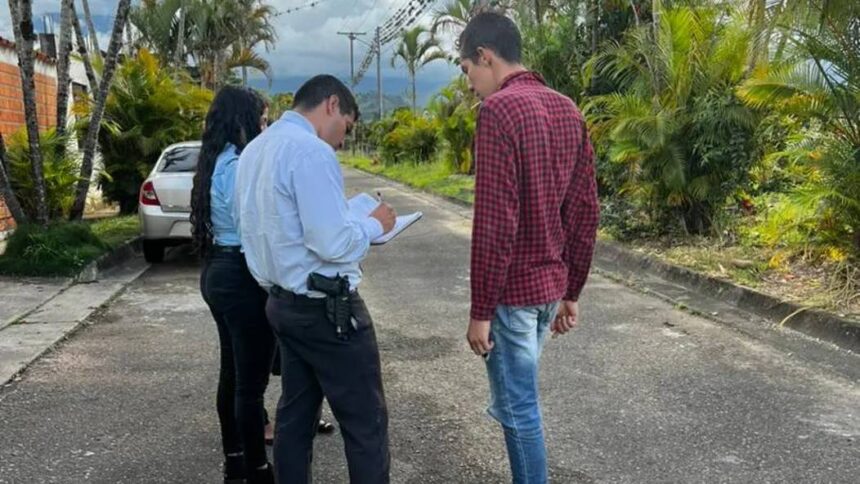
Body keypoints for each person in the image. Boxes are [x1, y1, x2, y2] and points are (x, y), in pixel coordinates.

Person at [234, 74, 396, 484]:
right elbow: (332, 241)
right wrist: (374, 225)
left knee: (295, 415)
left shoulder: (254, 150)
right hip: (329, 309)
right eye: (347, 125)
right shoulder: (310, 152)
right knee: (365, 422)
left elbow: (257, 227)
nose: (342, 139)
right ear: (332, 105)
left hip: (283, 303)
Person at [460, 12, 600, 484]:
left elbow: (496, 222)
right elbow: (584, 212)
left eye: (467, 71)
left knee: (520, 411)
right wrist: (572, 290)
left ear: (485, 56)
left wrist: (481, 309)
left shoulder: (497, 112)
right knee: (518, 404)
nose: (471, 84)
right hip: (548, 289)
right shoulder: (568, 108)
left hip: (514, 295)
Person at [191, 86, 276, 484]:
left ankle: (235, 462)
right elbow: (252, 231)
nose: (265, 126)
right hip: (241, 277)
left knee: (232, 372)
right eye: (261, 119)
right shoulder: (241, 165)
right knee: (250, 384)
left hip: (216, 272)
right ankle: (258, 470)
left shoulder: (215, 160)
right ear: (244, 121)